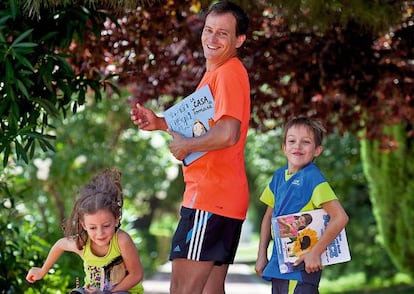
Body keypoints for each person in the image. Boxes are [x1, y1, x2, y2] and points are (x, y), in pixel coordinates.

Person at [130, 1, 250, 293]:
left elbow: (228, 133)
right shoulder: (215, 75)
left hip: (210, 197)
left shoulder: (228, 73)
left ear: (239, 40)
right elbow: (202, 127)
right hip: (224, 198)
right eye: (209, 30)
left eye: (223, 33)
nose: (212, 38)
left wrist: (185, 147)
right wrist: (159, 123)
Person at [255, 117, 349, 294]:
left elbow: (340, 217)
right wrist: (261, 255)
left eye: (306, 142)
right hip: (279, 267)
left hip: (301, 271)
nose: (297, 146)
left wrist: (315, 253)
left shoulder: (314, 179)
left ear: (317, 150)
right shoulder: (277, 177)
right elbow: (268, 217)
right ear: (284, 148)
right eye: (292, 141)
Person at [26, 168, 144, 294]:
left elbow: (136, 275)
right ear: (84, 225)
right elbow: (60, 244)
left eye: (106, 226)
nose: (100, 233)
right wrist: (42, 271)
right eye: (93, 227)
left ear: (116, 219)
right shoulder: (82, 243)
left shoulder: (122, 240)